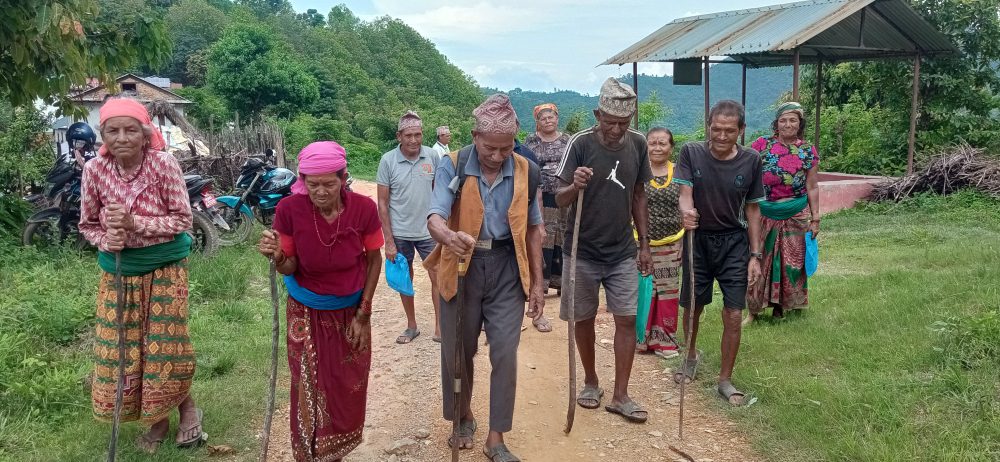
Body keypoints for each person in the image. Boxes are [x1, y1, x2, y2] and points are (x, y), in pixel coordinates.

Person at [79, 98, 206, 453]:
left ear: (145, 134)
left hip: (165, 266)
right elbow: (87, 224)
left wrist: (135, 223)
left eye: (130, 130)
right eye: (113, 131)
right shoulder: (94, 170)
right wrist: (105, 239)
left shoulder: (163, 164)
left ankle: (187, 410)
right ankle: (158, 419)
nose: (122, 138)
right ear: (103, 135)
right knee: (125, 349)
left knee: (165, 347)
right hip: (119, 271)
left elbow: (182, 220)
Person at [424, 93, 544, 462]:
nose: (497, 155)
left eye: (505, 148)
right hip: (462, 265)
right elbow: (434, 217)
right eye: (490, 147)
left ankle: (496, 437)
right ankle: (462, 416)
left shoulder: (527, 170)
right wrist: (449, 237)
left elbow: (534, 229)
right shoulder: (454, 165)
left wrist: (538, 284)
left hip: (507, 266)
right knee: (458, 350)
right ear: (475, 136)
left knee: (505, 352)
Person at [257, 141, 383, 461]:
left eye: (329, 184)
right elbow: (289, 266)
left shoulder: (364, 209)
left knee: (346, 385)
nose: (321, 192)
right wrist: (277, 256)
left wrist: (363, 314)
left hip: (350, 311)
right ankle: (308, 453)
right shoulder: (289, 210)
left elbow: (374, 259)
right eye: (313, 184)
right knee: (307, 385)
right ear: (303, 181)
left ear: (343, 178)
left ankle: (334, 452)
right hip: (304, 310)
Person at [555, 78, 654, 423]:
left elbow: (639, 195)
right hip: (581, 250)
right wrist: (575, 185)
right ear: (598, 115)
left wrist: (644, 244)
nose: (615, 130)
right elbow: (559, 198)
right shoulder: (580, 143)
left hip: (622, 251)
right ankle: (591, 382)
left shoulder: (638, 143)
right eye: (609, 122)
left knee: (626, 318)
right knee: (583, 318)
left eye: (623, 123)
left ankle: (621, 395)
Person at [672, 100, 764, 406]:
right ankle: (690, 356)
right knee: (693, 306)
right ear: (708, 125)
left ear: (741, 130)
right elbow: (685, 195)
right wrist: (687, 213)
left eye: (729, 131)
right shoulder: (691, 152)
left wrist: (755, 255)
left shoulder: (751, 160)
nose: (722, 136)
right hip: (697, 240)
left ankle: (725, 379)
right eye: (716, 129)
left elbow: (753, 209)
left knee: (734, 313)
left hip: (734, 243)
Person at [746, 102, 820, 323]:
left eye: (793, 120)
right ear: (776, 124)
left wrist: (816, 218)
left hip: (796, 213)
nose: (788, 124)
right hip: (764, 212)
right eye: (783, 120)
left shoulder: (807, 150)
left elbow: (812, 186)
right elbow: (747, 173)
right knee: (759, 260)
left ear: (800, 124)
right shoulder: (761, 145)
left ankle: (783, 307)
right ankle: (753, 311)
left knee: (792, 262)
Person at [377, 111, 442, 344]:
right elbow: (382, 203)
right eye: (408, 135)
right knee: (405, 279)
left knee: (438, 276)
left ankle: (440, 327)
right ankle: (411, 325)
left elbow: (439, 192)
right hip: (400, 232)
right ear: (399, 136)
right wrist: (389, 241)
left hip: (428, 231)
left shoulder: (432, 156)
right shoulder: (388, 160)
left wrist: (441, 224)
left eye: (418, 134)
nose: (414, 140)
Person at [636, 127, 684, 357]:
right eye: (652, 143)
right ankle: (640, 339)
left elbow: (687, 206)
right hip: (639, 243)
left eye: (662, 143)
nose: (657, 147)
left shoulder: (680, 173)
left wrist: (684, 242)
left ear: (671, 147)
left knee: (667, 293)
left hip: (672, 243)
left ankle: (665, 341)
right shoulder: (637, 172)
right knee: (642, 290)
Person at [524, 103, 571, 308]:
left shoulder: (568, 140)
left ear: (557, 118)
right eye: (543, 118)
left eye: (551, 117)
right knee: (542, 237)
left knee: (564, 236)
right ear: (537, 122)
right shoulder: (530, 142)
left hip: (565, 195)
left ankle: (563, 283)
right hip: (540, 196)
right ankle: (539, 284)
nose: (548, 121)